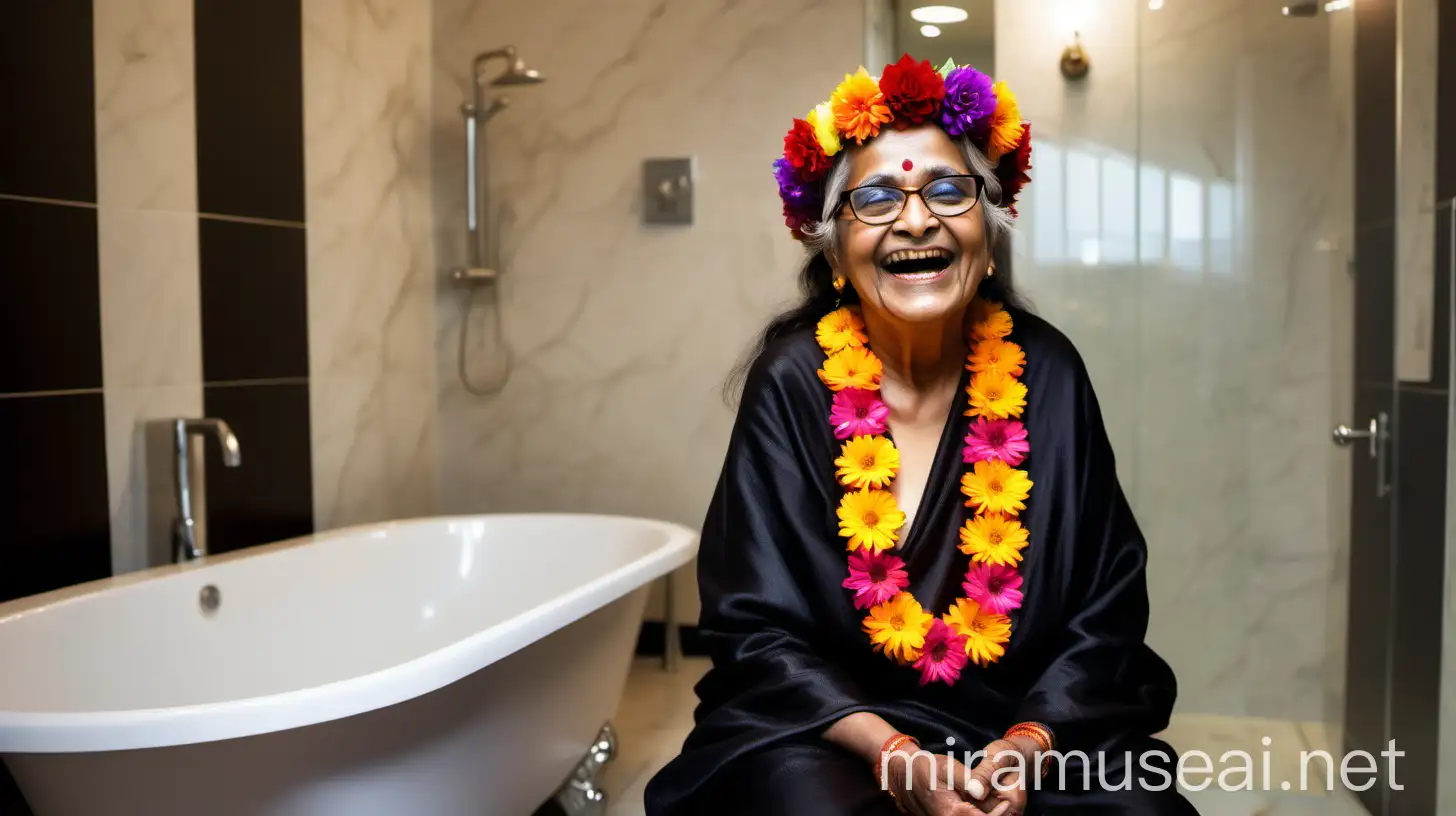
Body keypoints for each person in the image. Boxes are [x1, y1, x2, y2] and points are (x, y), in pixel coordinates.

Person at [643, 55, 1197, 816]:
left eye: (947, 189)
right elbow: (755, 626)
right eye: (874, 198)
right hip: (833, 731)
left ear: (989, 224)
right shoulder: (793, 383)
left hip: (1023, 722)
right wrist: (895, 754)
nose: (914, 219)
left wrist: (1027, 745)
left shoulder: (1050, 373)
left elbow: (1103, 612)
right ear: (834, 248)